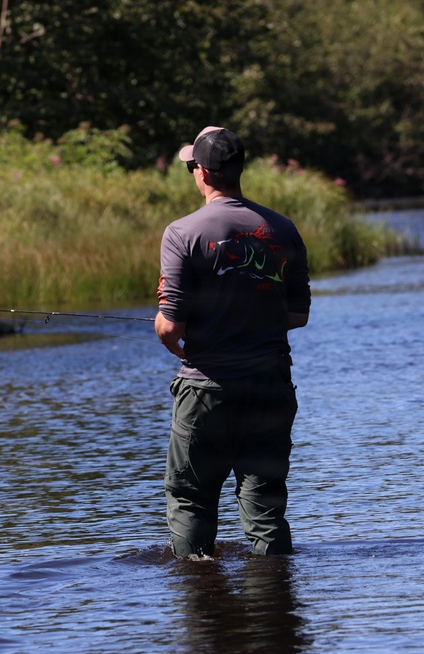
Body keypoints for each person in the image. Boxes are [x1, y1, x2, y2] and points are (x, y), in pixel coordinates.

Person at [155, 126, 311, 558]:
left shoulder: (181, 232)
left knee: (191, 498)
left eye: (191, 166)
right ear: (239, 167)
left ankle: (199, 592)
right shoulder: (283, 228)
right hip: (270, 386)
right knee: (265, 506)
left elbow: (169, 328)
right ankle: (275, 593)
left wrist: (168, 329)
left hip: (207, 390)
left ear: (203, 172)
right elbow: (298, 316)